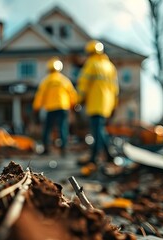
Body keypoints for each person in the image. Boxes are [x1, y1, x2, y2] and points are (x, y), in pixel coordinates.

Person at [77, 40, 119, 170]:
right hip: (107, 103)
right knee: (99, 128)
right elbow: (115, 88)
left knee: (97, 130)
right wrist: (114, 105)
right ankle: (104, 155)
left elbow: (83, 83)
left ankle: (98, 156)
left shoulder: (91, 64)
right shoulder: (110, 66)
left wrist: (79, 99)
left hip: (96, 102)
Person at [33, 57, 78, 157]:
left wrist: (36, 108)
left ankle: (46, 148)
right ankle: (63, 149)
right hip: (63, 108)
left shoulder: (46, 81)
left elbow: (40, 96)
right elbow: (72, 94)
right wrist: (73, 105)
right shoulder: (64, 80)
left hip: (51, 108)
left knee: (47, 129)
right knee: (62, 128)